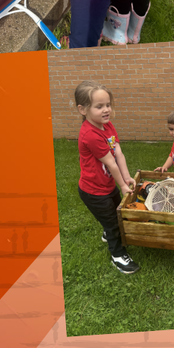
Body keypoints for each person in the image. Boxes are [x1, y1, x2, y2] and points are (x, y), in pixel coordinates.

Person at [74, 81, 139, 275]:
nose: (106, 110)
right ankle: (118, 255)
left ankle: (108, 229)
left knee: (117, 215)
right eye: (99, 106)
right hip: (93, 191)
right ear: (83, 109)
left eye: (108, 105)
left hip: (107, 185)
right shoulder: (90, 135)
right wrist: (122, 186)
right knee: (113, 223)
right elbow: (111, 163)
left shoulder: (107, 126)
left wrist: (126, 178)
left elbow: (118, 152)